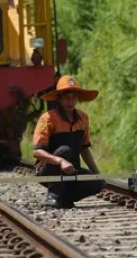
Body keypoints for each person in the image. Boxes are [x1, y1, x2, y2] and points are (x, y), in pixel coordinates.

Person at [32, 75, 105, 208]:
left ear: (77, 98)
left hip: (71, 170)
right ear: (59, 99)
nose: (70, 102)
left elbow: (84, 148)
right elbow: (37, 152)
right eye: (66, 98)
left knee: (97, 183)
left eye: (73, 98)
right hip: (47, 169)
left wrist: (96, 173)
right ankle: (53, 196)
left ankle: (65, 198)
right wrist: (60, 160)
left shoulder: (83, 118)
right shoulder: (48, 118)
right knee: (64, 151)